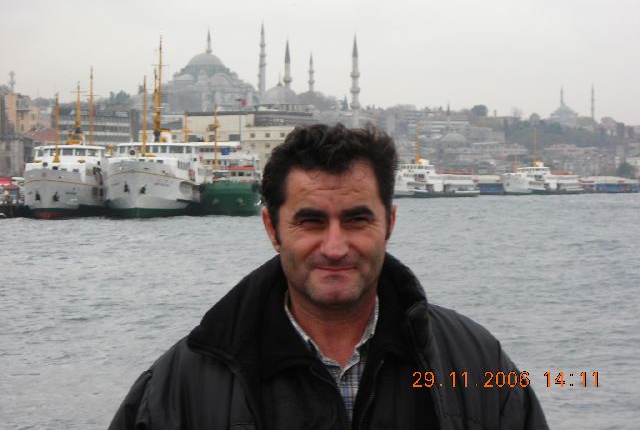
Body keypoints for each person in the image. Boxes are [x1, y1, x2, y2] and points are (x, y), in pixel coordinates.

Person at [109, 123, 548, 429]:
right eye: (312, 222)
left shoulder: (478, 366)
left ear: (389, 224)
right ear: (272, 229)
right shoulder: (180, 386)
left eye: (356, 220)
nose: (335, 248)